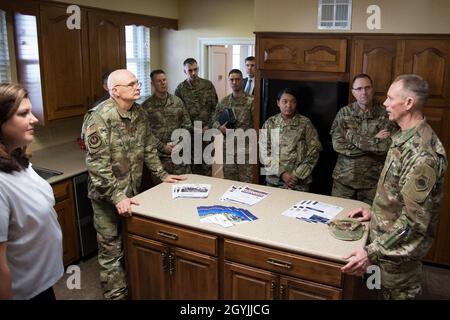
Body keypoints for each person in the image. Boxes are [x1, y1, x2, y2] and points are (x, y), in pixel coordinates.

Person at [81, 69, 185, 300]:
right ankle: (115, 297)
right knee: (111, 252)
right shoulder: (98, 118)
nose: (137, 86)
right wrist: (117, 197)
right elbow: (98, 167)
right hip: (106, 198)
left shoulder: (138, 113)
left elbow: (148, 147)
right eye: (131, 84)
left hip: (133, 193)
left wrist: (162, 175)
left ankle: (133, 290)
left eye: (137, 82)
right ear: (115, 91)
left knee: (130, 246)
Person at [341, 74, 448, 300]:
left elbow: (413, 222)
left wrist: (368, 253)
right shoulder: (402, 136)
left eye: (390, 98)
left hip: (395, 263)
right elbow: (398, 195)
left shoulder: (422, 154)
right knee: (372, 292)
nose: (385, 103)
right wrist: (376, 213)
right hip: (382, 250)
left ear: (408, 103)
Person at [0, 83, 63, 300]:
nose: (34, 119)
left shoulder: (19, 161)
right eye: (23, 113)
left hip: (41, 283)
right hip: (22, 292)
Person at [330, 73, 395, 205]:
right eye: (359, 89)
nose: (363, 92)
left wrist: (352, 138)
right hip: (344, 182)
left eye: (367, 87)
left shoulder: (386, 113)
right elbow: (338, 145)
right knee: (337, 220)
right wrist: (374, 140)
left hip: (372, 183)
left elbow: (386, 147)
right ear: (353, 92)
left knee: (369, 222)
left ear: (373, 89)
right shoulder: (344, 113)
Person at [259, 88, 322, 191]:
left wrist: (296, 175)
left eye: (293, 102)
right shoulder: (270, 123)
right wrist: (282, 173)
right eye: (285, 102)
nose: (288, 105)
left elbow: (314, 151)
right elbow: (264, 152)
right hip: (275, 182)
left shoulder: (305, 124)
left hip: (299, 183)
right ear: (278, 103)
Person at [142, 69, 192, 177]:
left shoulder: (177, 101)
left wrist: (179, 142)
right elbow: (146, 133)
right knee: (163, 191)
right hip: (159, 159)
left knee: (186, 186)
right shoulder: (146, 106)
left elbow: (187, 124)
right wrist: (163, 147)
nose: (163, 83)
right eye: (159, 81)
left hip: (180, 155)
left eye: (164, 80)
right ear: (152, 84)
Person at [175, 58, 218, 176]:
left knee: (207, 165)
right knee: (192, 166)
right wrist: (193, 129)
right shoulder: (180, 89)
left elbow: (215, 108)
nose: (193, 73)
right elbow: (179, 113)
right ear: (185, 71)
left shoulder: (208, 85)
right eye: (190, 71)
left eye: (195, 69)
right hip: (190, 134)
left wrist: (209, 125)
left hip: (207, 132)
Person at [212, 69, 255, 183]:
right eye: (232, 80)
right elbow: (214, 119)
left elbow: (257, 124)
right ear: (229, 81)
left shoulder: (251, 101)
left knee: (246, 183)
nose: (234, 82)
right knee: (230, 183)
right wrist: (220, 128)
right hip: (229, 149)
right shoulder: (224, 101)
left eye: (237, 79)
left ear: (242, 81)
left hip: (246, 150)